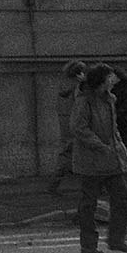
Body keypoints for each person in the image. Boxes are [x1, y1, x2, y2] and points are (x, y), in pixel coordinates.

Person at [71, 62, 127, 253]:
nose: (112, 80)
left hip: (109, 159)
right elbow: (79, 128)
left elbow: (113, 130)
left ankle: (116, 239)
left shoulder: (110, 100)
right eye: (109, 77)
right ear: (101, 80)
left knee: (122, 198)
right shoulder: (84, 101)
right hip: (91, 160)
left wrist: (119, 150)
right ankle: (89, 244)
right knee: (89, 203)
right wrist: (100, 145)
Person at [47, 60, 87, 194]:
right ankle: (92, 184)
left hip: (65, 121)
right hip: (76, 121)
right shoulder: (78, 86)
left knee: (66, 152)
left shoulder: (64, 84)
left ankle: (54, 182)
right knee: (85, 151)